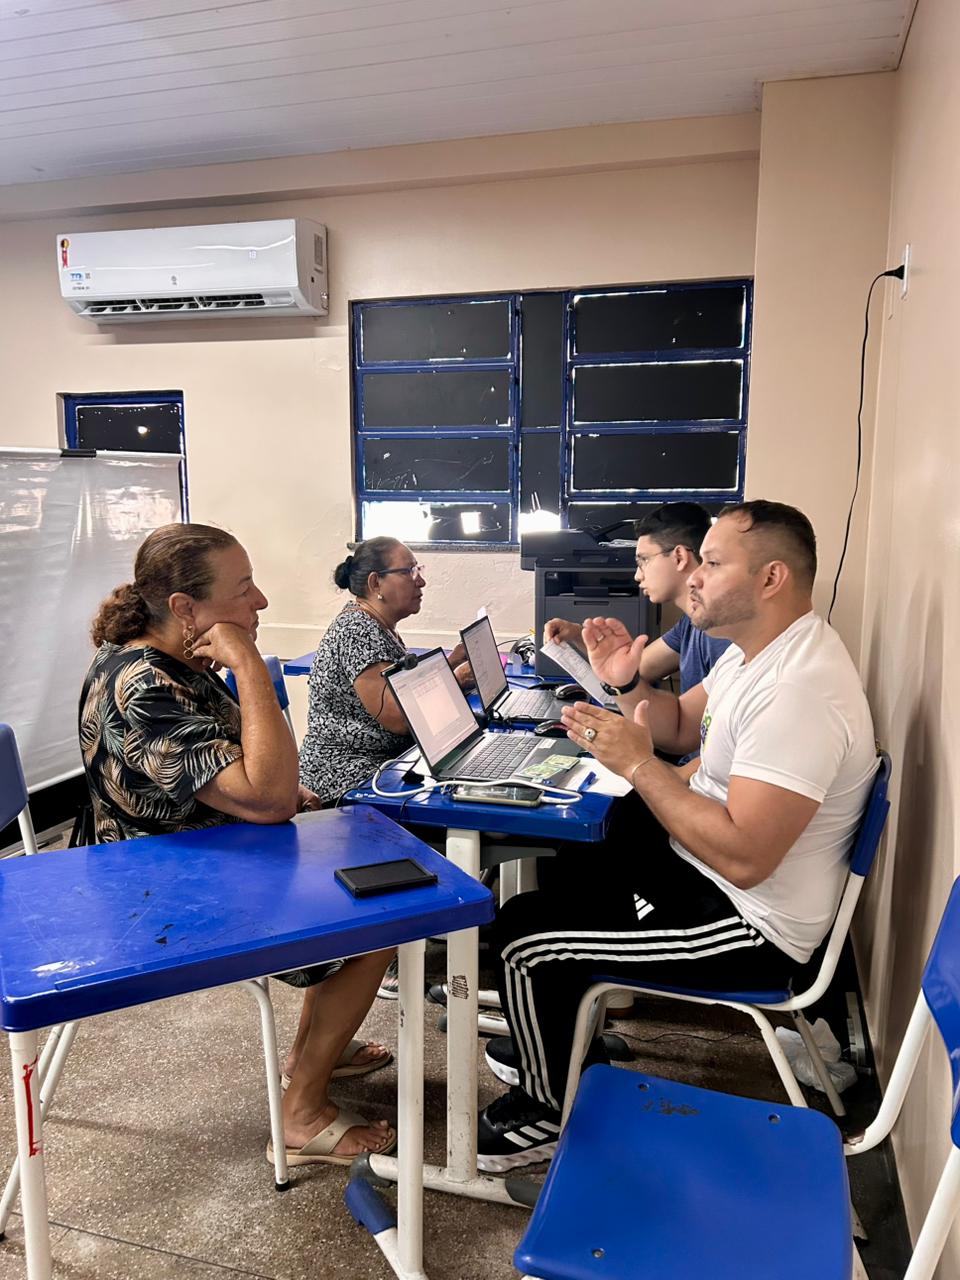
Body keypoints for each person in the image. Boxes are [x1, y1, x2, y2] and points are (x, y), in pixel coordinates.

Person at [476, 501, 878, 1172]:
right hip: (708, 871)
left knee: (524, 942)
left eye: (713, 563)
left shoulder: (798, 691)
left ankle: (547, 1110)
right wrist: (624, 680)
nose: (694, 575)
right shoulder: (755, 655)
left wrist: (640, 766)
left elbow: (745, 859)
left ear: (771, 578)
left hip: (751, 925)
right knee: (586, 843)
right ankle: (564, 1032)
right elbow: (681, 730)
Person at [80, 523, 396, 1169]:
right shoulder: (143, 685)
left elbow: (249, 776)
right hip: (158, 891)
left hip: (207, 855)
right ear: (184, 608)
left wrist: (275, 792)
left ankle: (313, 1054)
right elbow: (266, 796)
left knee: (369, 878)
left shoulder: (180, 662)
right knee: (378, 918)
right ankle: (301, 1115)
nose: (261, 601)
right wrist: (249, 662)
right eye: (244, 588)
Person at [544, 501, 730, 694]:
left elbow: (687, 714)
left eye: (643, 561)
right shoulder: (690, 625)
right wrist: (577, 634)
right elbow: (635, 669)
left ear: (679, 557)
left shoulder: (722, 636)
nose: (637, 576)